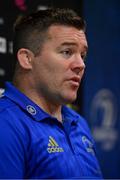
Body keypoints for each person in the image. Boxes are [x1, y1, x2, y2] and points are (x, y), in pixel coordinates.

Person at [0, 8, 103, 179]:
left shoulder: (79, 123)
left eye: (83, 55)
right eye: (67, 52)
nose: (81, 65)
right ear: (27, 59)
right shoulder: (5, 123)